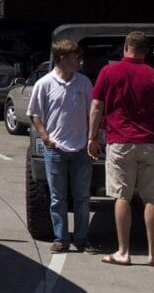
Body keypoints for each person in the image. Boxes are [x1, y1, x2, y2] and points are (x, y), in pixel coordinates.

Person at [87, 30, 154, 267]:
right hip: (149, 142)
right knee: (151, 198)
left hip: (120, 143)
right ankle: (153, 254)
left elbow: (97, 106)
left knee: (121, 196)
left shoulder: (109, 72)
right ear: (146, 51)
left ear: (125, 47)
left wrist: (92, 137)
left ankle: (123, 252)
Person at [27, 39, 98, 254]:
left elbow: (91, 112)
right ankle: (61, 238)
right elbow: (34, 113)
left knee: (82, 197)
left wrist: (91, 138)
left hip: (80, 150)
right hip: (55, 150)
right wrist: (45, 137)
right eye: (75, 57)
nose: (78, 60)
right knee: (57, 197)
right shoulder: (44, 84)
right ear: (61, 59)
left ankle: (82, 238)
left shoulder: (84, 83)